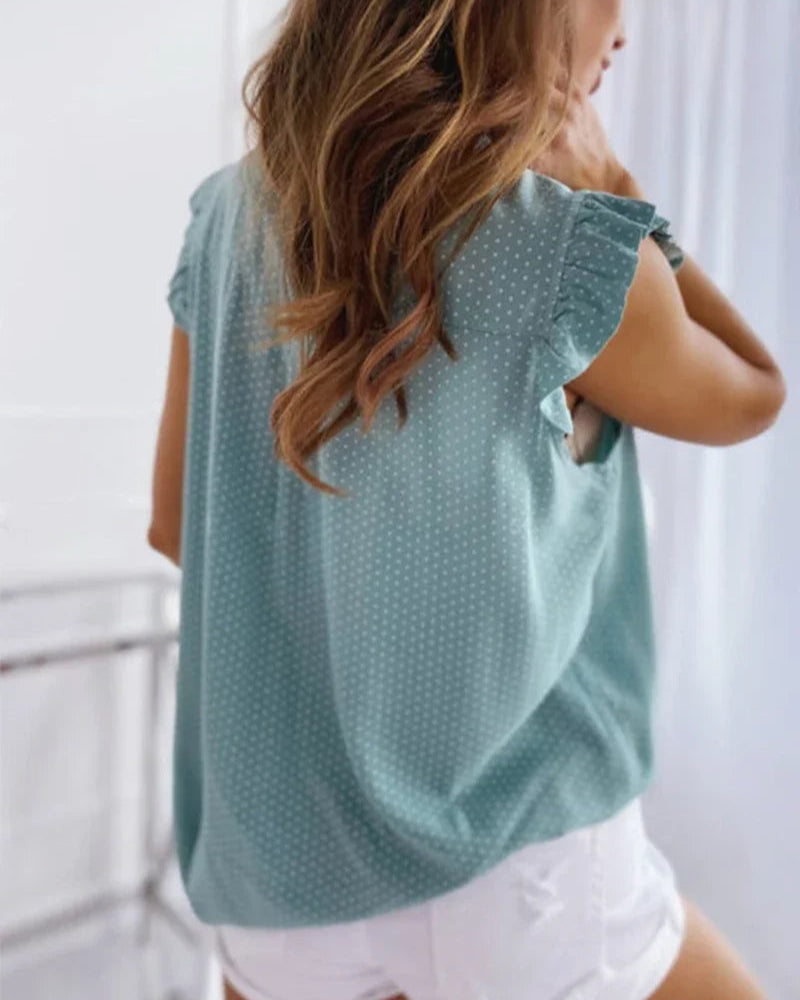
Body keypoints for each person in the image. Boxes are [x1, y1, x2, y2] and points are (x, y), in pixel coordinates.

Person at [148, 0, 787, 998]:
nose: (624, 28)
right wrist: (618, 188)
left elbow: (175, 524)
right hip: (516, 871)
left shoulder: (226, 218)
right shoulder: (563, 246)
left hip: (277, 880)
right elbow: (754, 391)